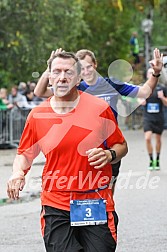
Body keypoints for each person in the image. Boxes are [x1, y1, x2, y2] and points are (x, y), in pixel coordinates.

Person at [7, 52, 128, 252]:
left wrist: (109, 155)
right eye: (56, 72)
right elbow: (24, 153)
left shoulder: (99, 108)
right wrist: (18, 173)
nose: (62, 77)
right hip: (56, 202)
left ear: (79, 77)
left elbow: (121, 146)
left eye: (68, 72)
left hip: (95, 200)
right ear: (50, 77)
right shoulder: (38, 115)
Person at [34, 48, 163, 192]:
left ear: (95, 64)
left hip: (110, 146)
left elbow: (145, 92)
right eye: (81, 68)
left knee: (107, 193)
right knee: (84, 192)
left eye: (89, 66)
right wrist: (48, 70)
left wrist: (156, 73)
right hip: (84, 147)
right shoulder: (75, 87)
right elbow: (40, 92)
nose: (86, 71)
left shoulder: (112, 84)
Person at [141, 68, 167, 170]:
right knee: (147, 138)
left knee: (158, 139)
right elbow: (138, 98)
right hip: (148, 118)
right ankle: (151, 159)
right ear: (147, 76)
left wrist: (162, 98)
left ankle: (157, 159)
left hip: (159, 118)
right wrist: (141, 101)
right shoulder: (144, 88)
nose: (151, 75)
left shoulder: (162, 88)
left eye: (153, 73)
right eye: (149, 73)